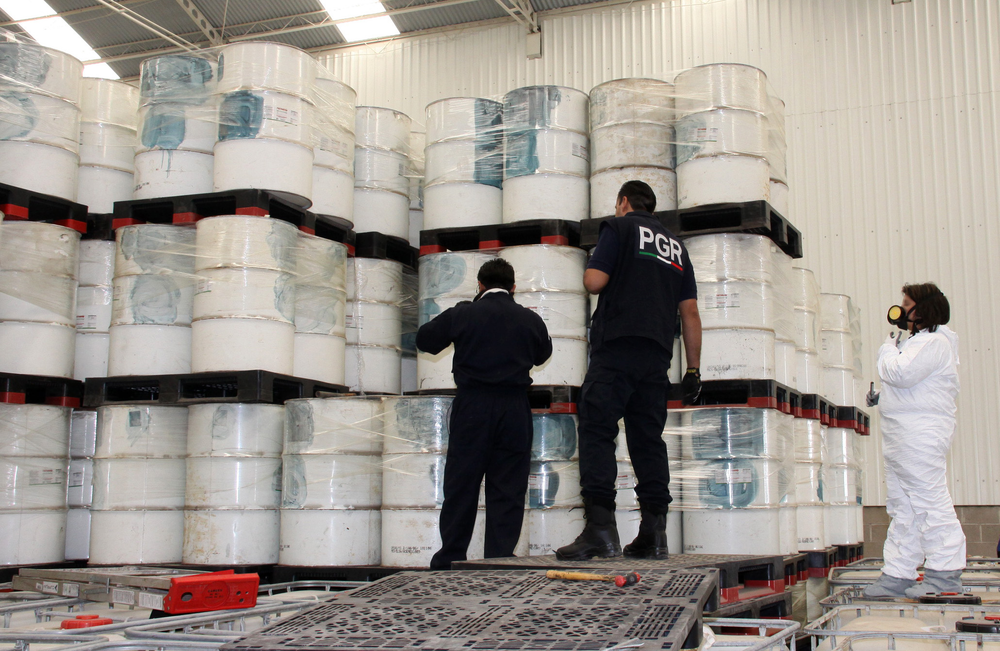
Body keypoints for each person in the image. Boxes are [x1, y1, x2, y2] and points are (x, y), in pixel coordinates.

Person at [556, 180, 702, 561]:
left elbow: (594, 281)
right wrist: (694, 370)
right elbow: (690, 313)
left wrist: (596, 264)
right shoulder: (676, 247)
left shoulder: (618, 228)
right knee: (647, 439)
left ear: (623, 202)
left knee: (597, 429)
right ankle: (654, 533)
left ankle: (601, 529)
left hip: (617, 346)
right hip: (656, 357)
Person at [417, 258, 552, 569]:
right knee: (508, 486)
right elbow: (543, 353)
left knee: (462, 483)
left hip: (473, 407)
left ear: (480, 285)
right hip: (514, 408)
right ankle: (500, 559)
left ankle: (450, 558)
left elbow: (425, 339)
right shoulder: (529, 320)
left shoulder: (464, 313)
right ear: (513, 288)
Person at [863, 283, 965, 598]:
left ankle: (945, 574)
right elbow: (910, 383)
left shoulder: (934, 343)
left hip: (919, 435)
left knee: (928, 501)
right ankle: (898, 573)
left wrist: (886, 346)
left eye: (905, 304)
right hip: (902, 434)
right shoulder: (918, 342)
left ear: (920, 310)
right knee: (903, 507)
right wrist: (883, 396)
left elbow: (900, 373)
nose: (900, 309)